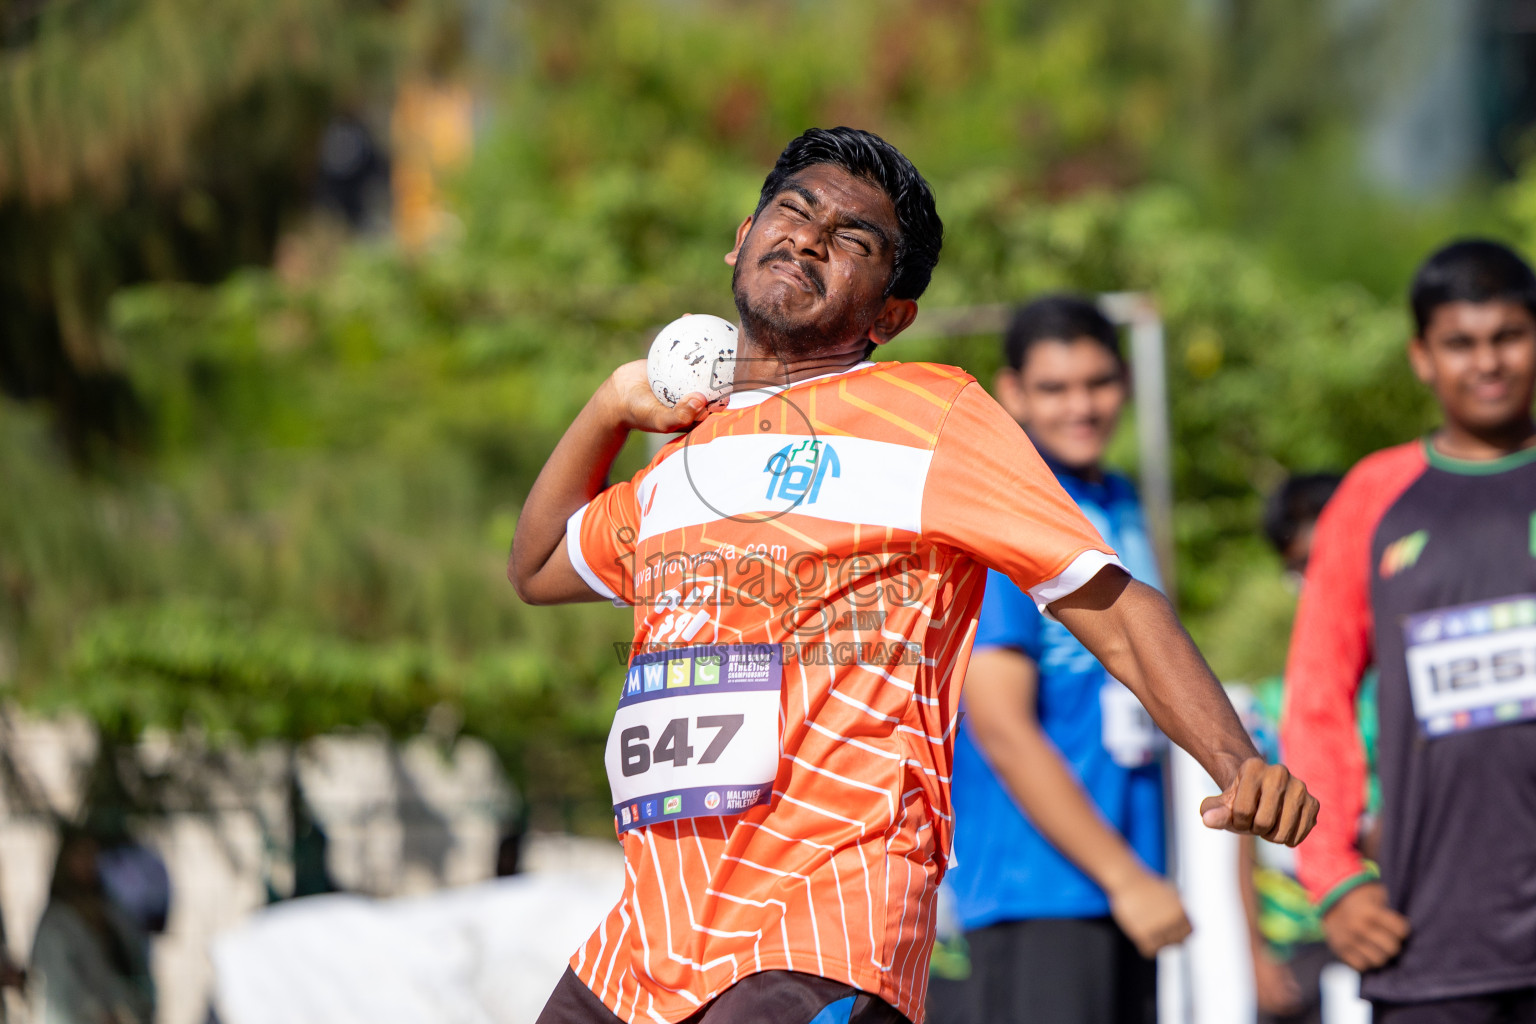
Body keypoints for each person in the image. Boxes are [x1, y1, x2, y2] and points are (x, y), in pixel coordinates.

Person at [509, 126, 1318, 1024]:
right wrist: (608, 406)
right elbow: (540, 564)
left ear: (891, 316)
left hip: (821, 928)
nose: (812, 237)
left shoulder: (931, 418)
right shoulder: (678, 468)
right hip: (644, 943)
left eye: (854, 240)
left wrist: (1236, 760)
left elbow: (1118, 608)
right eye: (795, 210)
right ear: (741, 238)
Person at [1283, 238, 1536, 1023]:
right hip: (1427, 937)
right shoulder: (1373, 497)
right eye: (1461, 343)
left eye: (1508, 337)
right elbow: (1318, 697)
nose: (1486, 363)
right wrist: (1334, 879)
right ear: (1422, 357)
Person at [945, 296, 1186, 1024]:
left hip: (1128, 886)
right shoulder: (1005, 515)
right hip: (1036, 891)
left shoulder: (1118, 499)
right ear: (1012, 391)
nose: (1081, 406)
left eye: (1099, 382)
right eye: (1055, 388)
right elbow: (1001, 725)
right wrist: (1122, 877)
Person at [1230, 473, 1379, 1024]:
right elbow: (1244, 840)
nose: (1321, 580)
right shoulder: (1270, 703)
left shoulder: (1403, 681)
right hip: (1299, 945)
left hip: (1389, 924)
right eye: (1302, 567)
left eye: (1334, 558)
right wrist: (1256, 956)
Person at [29, 828, 156, 1024]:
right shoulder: (56, 921)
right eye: (81, 855)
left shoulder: (112, 911)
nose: (89, 863)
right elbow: (60, 983)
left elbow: (134, 963)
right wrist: (99, 1014)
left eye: (92, 855)